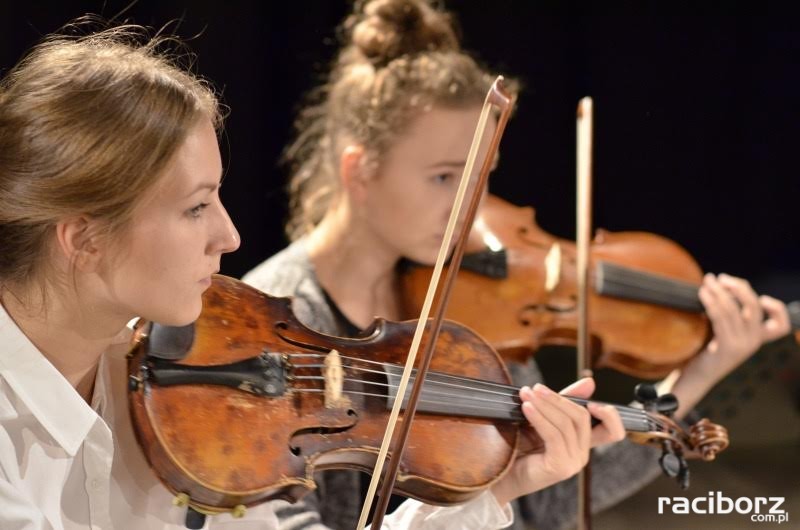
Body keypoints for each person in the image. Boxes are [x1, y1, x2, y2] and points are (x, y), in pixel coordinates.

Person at [0, 21, 621, 530]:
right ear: (83, 237)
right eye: (195, 207)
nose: (229, 237)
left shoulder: (173, 393)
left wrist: (498, 490)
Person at [242, 1, 793, 529]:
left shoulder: (472, 296)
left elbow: (545, 507)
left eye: (481, 176)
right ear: (359, 170)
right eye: (444, 177)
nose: (471, 205)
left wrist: (702, 371)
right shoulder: (279, 318)